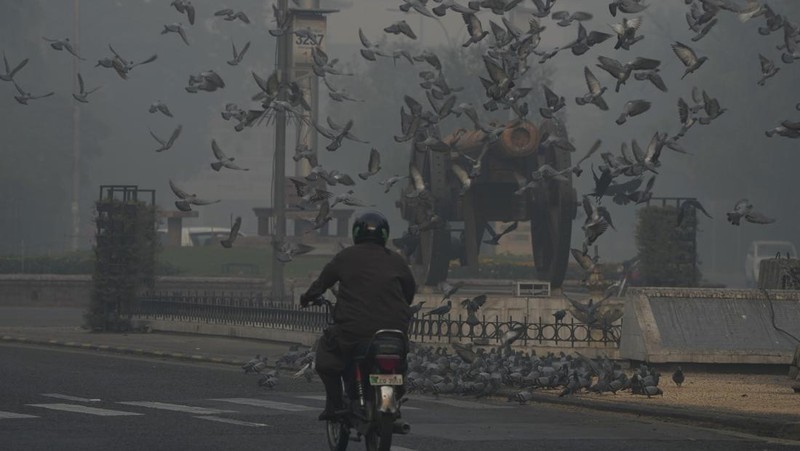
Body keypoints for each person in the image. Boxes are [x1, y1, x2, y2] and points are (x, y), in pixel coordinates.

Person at [300, 210, 416, 421]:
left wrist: (307, 297)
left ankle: (335, 405)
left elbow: (322, 283)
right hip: (394, 330)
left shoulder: (346, 257)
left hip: (355, 330)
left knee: (327, 355)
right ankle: (392, 399)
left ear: (356, 233)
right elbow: (410, 290)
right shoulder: (396, 260)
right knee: (400, 360)